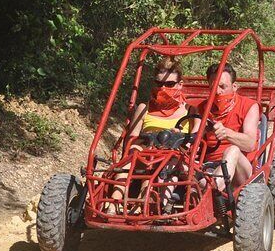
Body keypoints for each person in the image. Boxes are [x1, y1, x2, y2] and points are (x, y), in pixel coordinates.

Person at [108, 57, 199, 214]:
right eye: (159, 84)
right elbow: (132, 138)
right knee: (133, 153)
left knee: (161, 159)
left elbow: (194, 141)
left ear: (180, 85)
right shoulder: (144, 108)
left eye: (169, 84)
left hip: (174, 154)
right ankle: (114, 201)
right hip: (146, 150)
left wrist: (178, 137)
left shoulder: (190, 111)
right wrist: (143, 144)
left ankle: (144, 202)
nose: (163, 88)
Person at [202, 63, 260, 194]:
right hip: (209, 167)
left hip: (242, 169)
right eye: (213, 87)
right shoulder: (202, 109)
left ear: (234, 87)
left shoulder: (248, 106)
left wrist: (227, 134)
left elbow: (250, 144)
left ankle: (212, 191)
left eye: (223, 87)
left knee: (232, 150)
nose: (218, 92)